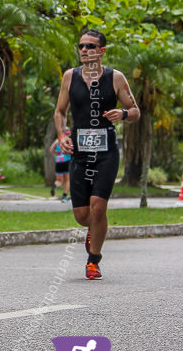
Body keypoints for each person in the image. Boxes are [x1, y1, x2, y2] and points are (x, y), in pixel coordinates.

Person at [53, 29, 139, 280]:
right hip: (79, 153)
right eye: (80, 46)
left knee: (98, 206)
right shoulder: (70, 77)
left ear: (101, 51)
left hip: (106, 153)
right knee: (83, 215)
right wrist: (61, 135)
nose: (83, 50)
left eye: (90, 46)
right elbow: (59, 112)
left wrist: (122, 114)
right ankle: (95, 228)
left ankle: (94, 260)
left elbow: (135, 110)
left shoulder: (116, 78)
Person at [49, 128, 72, 202]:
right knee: (67, 180)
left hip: (59, 161)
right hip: (67, 161)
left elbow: (51, 150)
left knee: (59, 180)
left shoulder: (57, 141)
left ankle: (55, 185)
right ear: (68, 133)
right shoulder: (69, 140)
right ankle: (64, 197)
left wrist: (58, 153)